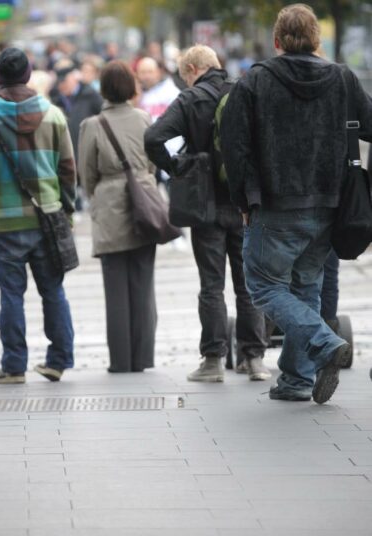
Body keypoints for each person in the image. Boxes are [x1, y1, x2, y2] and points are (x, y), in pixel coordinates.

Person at [221, 3, 372, 403]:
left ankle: (324, 341)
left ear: (277, 40)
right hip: (328, 204)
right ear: (317, 38)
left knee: (264, 287)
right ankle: (295, 381)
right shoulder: (342, 78)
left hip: (273, 205)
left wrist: (244, 198)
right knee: (306, 288)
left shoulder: (254, 81)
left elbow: (234, 147)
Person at [144, 45, 269, 383]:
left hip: (206, 206)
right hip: (244, 205)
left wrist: (176, 168)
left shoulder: (190, 99)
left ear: (193, 69)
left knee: (211, 285)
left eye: (185, 75)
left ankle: (213, 361)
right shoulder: (243, 91)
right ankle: (253, 359)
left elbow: (154, 137)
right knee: (249, 284)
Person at [0, 47, 76, 384]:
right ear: (28, 75)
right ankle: (58, 359)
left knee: (11, 295)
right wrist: (63, 206)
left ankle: (14, 366)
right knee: (53, 291)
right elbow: (68, 169)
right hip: (47, 219)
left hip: (5, 221)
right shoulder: (54, 116)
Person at [78, 60, 158, 373]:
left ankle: (121, 360)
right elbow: (152, 165)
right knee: (143, 284)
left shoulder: (92, 126)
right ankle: (143, 357)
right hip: (144, 205)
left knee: (115, 290)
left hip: (110, 209)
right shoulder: (144, 119)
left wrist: (102, 194)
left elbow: (87, 177)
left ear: (103, 90)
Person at [136, 57, 180, 122]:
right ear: (137, 74)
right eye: (143, 72)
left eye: (150, 72)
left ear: (158, 72)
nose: (147, 76)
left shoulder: (170, 90)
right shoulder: (136, 93)